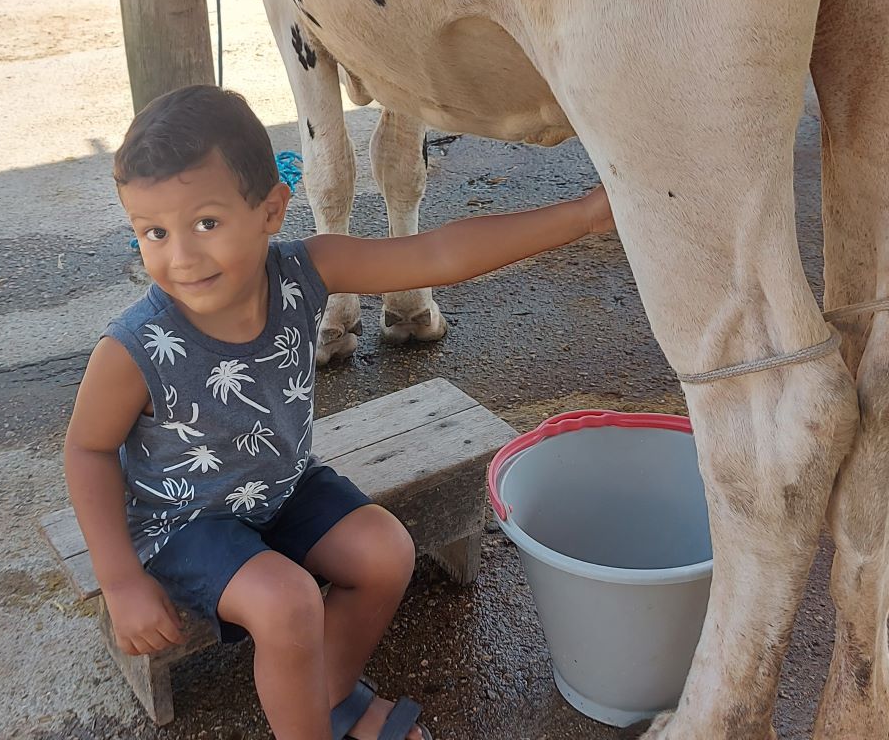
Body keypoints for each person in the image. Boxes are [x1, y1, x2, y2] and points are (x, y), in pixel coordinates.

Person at [64, 84, 614, 740]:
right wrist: (119, 577)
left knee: (385, 553)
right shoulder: (133, 348)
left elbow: (435, 254)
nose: (179, 256)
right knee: (287, 601)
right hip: (182, 521)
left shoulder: (306, 270)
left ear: (271, 209)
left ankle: (331, 696)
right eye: (153, 231)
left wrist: (581, 215)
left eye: (205, 223)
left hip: (283, 487)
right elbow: (87, 450)